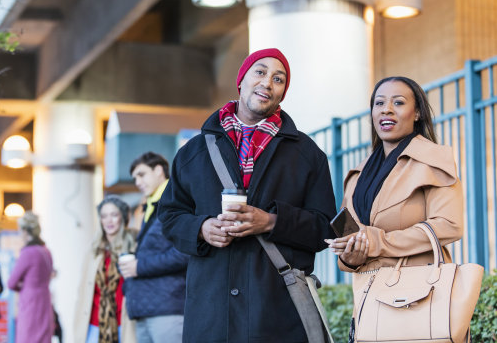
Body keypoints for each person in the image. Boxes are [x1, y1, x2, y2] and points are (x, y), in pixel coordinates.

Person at [158, 48, 337, 342]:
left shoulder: (307, 154)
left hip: (277, 317)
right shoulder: (194, 152)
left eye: (278, 79)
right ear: (241, 81)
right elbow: (169, 216)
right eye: (260, 72)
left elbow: (325, 228)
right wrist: (201, 229)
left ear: (282, 94)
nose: (267, 82)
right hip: (211, 316)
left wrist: (270, 221)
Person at [324, 76, 464, 339]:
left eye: (398, 102)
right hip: (369, 299)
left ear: (418, 113)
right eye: (379, 103)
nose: (386, 109)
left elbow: (450, 225)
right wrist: (350, 255)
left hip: (419, 298)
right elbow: (349, 234)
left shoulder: (433, 160)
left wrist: (380, 242)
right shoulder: (358, 174)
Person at [119, 152, 188, 343]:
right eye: (134, 178)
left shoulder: (176, 202)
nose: (138, 182)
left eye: (141, 174)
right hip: (146, 310)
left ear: (158, 170)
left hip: (167, 309)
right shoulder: (152, 206)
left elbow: (184, 253)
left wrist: (138, 266)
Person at [74, 196, 137, 343]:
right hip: (94, 325)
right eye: (104, 216)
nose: (109, 221)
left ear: (123, 218)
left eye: (114, 215)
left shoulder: (134, 245)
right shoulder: (93, 250)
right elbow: (82, 290)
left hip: (125, 324)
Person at [7, 212, 54, 343]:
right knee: (43, 337)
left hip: (30, 302)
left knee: (28, 337)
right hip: (44, 299)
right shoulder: (46, 251)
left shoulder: (27, 252)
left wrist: (24, 285)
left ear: (25, 231)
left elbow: (11, 283)